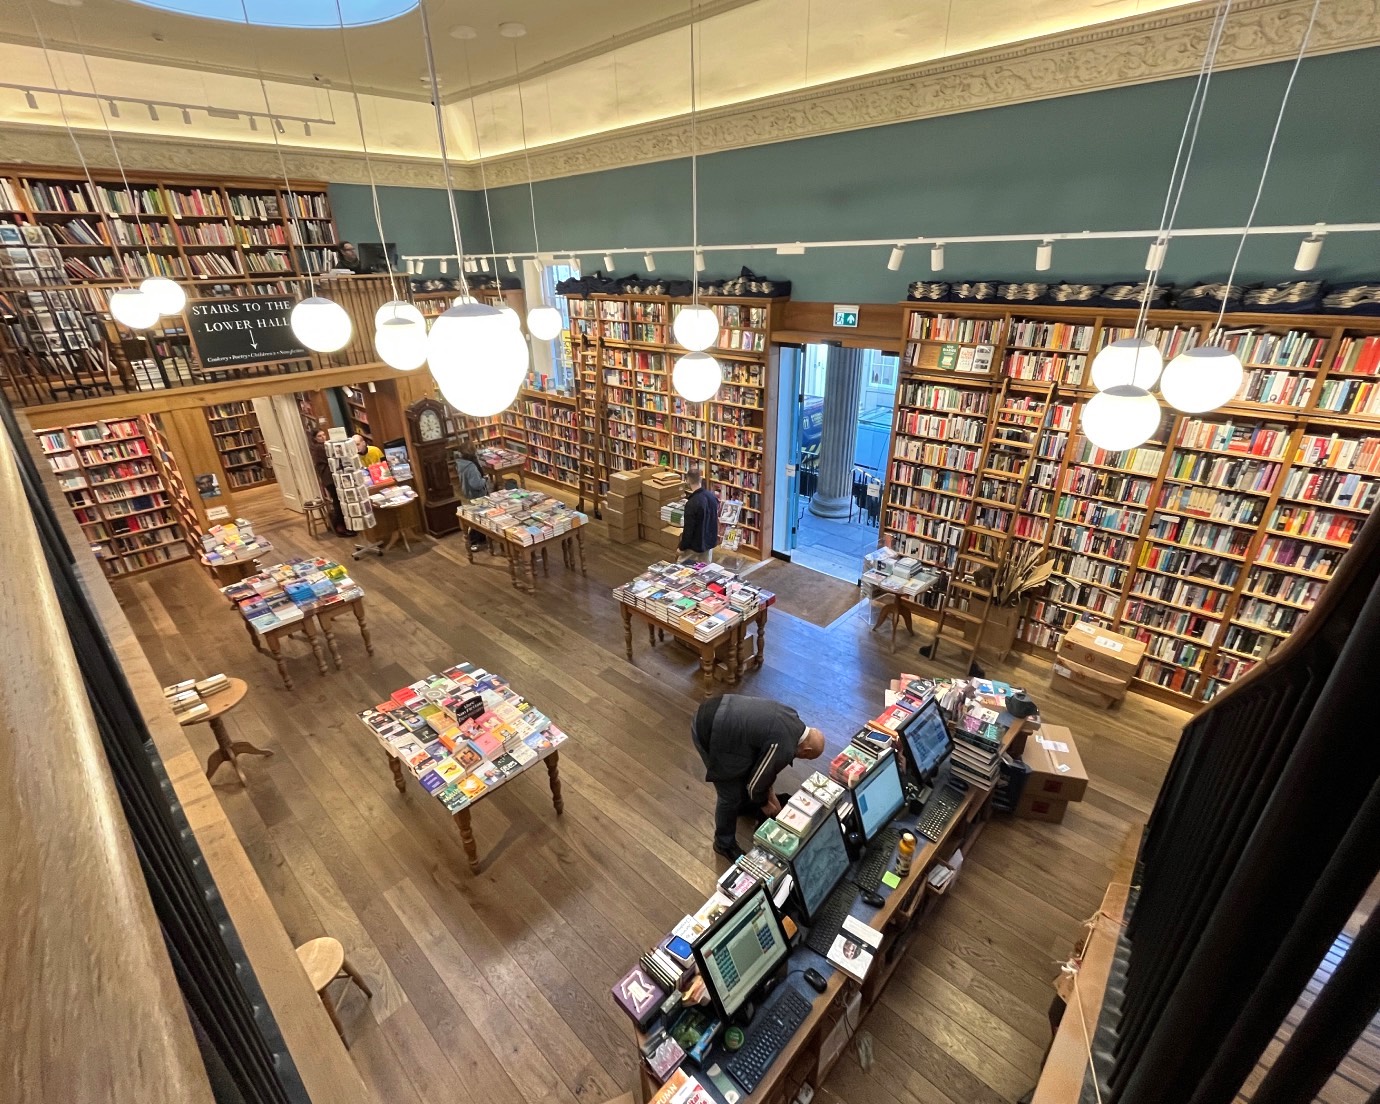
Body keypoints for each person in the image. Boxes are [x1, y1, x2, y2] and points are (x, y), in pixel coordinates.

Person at [691, 694, 826, 860]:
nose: (800, 758)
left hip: (720, 708)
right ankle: (723, 843)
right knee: (729, 795)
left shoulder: (792, 718)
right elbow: (756, 784)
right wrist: (764, 804)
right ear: (806, 751)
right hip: (708, 729)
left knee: (743, 780)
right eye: (806, 758)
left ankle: (742, 807)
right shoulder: (784, 746)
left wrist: (769, 795)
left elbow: (762, 767)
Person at [454, 442, 492, 551]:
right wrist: (484, 479)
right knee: (479, 518)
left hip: (470, 494)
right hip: (478, 495)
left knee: (479, 516)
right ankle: (472, 540)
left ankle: (480, 538)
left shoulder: (461, 464)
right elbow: (476, 484)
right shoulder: (471, 467)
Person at [678, 466, 720, 563]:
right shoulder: (712, 497)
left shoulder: (691, 503)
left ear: (687, 480)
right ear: (701, 479)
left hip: (695, 545)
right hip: (709, 542)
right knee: (704, 570)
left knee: (680, 566)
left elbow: (689, 529)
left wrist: (682, 547)